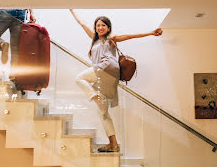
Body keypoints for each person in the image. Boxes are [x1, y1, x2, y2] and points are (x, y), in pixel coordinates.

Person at [69, 9, 162, 152]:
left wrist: (150, 32)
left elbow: (130, 36)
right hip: (110, 78)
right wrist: (71, 10)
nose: (100, 28)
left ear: (108, 28)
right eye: (98, 25)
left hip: (106, 68)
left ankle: (95, 97)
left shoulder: (110, 40)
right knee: (103, 114)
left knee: (79, 78)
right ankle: (113, 144)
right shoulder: (94, 39)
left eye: (103, 25)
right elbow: (81, 23)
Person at [0, 9, 35, 91]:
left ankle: (1, 44)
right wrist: (31, 13)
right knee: (15, 50)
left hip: (7, 10)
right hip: (20, 14)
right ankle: (13, 75)